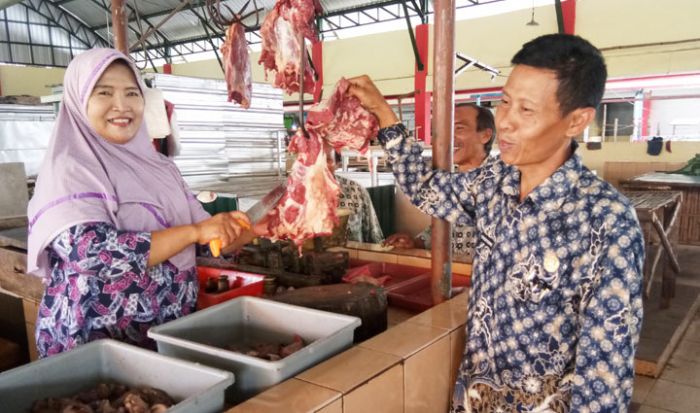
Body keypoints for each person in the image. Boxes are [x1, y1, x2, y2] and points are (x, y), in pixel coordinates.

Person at [349, 34, 644, 412]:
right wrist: (384, 113)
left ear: (577, 121)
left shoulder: (606, 221)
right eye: (504, 102)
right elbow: (426, 189)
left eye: (526, 110)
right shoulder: (494, 183)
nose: (504, 122)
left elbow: (606, 375)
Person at [27, 49, 251, 357]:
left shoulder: (161, 167)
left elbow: (208, 241)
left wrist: (267, 225)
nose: (122, 106)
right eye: (104, 92)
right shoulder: (69, 169)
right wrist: (195, 232)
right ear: (79, 100)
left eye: (132, 93)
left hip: (164, 337)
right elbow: (93, 253)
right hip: (95, 347)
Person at [383, 103, 495, 257]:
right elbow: (443, 223)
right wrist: (417, 243)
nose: (449, 136)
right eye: (445, 130)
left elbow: (416, 180)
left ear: (485, 135)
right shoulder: (451, 180)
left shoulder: (495, 182)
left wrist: (380, 109)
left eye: (459, 128)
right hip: (454, 277)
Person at [324, 145, 384, 244]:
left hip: (351, 257)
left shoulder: (356, 191)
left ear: (337, 164)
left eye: (327, 160)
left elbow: (375, 238)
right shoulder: (293, 195)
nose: (319, 165)